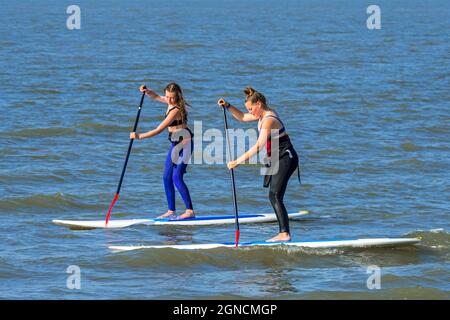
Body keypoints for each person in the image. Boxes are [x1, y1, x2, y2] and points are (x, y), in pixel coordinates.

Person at [218, 86, 300, 242]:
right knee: (274, 195)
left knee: (274, 195)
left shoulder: (268, 120)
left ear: (259, 104)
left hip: (286, 157)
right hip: (276, 158)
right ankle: (284, 232)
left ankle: (284, 233)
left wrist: (237, 162)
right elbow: (242, 117)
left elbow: (257, 147)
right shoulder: (262, 115)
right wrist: (227, 106)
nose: (250, 112)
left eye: (251, 109)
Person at [130, 83, 195, 219]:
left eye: (171, 97)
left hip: (185, 144)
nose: (169, 100)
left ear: (177, 96)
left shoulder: (176, 109)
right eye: (167, 96)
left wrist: (139, 136)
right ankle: (171, 211)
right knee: (166, 177)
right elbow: (156, 97)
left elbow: (159, 129)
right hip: (175, 144)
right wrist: (147, 91)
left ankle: (190, 211)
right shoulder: (169, 101)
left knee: (176, 178)